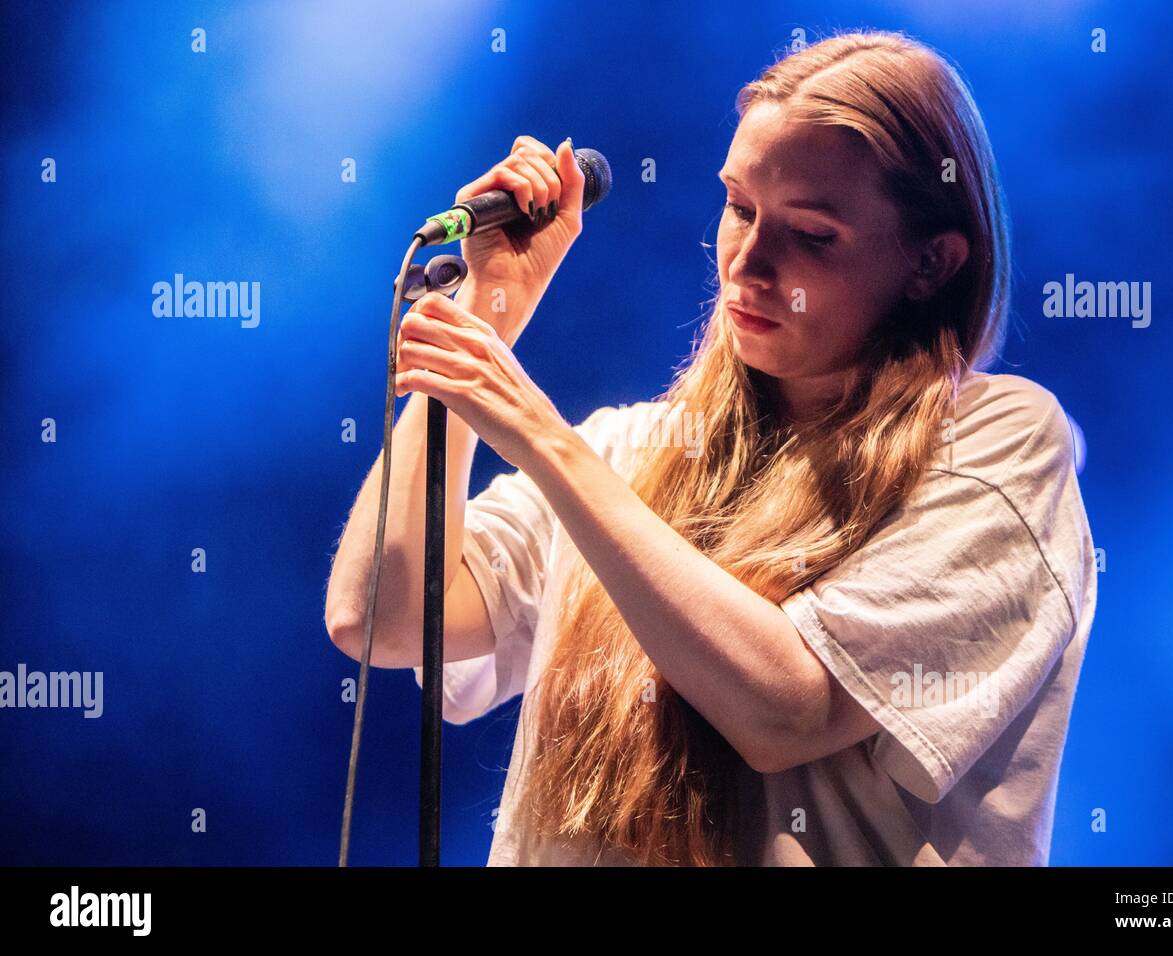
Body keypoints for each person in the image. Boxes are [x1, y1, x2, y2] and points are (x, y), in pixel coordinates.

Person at [324, 28, 1097, 866]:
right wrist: (486, 316)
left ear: (932, 262)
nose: (749, 261)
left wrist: (539, 435)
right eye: (738, 207)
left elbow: (786, 711)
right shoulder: (627, 450)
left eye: (812, 233)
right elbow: (381, 619)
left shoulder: (998, 444)